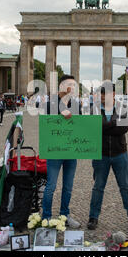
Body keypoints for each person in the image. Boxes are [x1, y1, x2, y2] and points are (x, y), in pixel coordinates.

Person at [87, 84, 128, 231]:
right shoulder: (95, 108)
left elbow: (124, 128)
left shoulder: (122, 107)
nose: (105, 97)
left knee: (125, 186)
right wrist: (113, 122)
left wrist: (105, 125)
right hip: (101, 154)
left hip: (120, 153)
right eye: (102, 94)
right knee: (98, 187)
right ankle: (93, 217)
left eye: (108, 94)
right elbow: (93, 128)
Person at [42, 74, 81, 229]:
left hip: (71, 150)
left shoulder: (75, 103)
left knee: (68, 186)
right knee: (51, 186)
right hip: (55, 150)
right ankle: (46, 218)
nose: (72, 88)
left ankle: (64, 215)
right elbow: (46, 123)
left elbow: (80, 124)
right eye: (70, 85)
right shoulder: (51, 102)